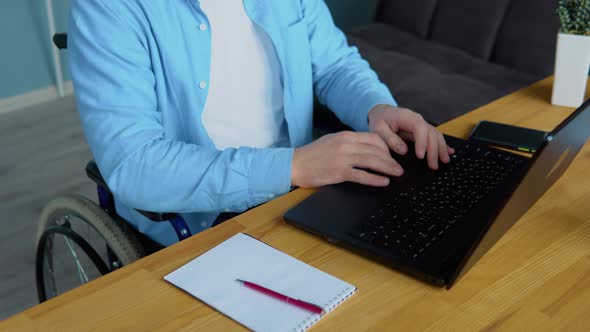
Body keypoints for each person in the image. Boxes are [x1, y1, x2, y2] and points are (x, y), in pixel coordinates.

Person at [68, 0, 453, 246]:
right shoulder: (108, 7)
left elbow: (335, 65)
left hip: (300, 194)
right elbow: (135, 165)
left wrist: (376, 107)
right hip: (197, 222)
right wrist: (294, 166)